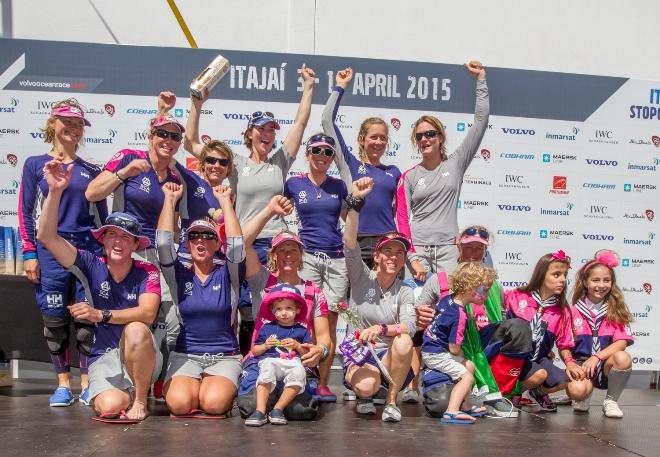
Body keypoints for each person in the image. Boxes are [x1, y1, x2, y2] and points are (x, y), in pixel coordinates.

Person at [183, 65, 317, 350]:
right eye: (262, 129)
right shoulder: (234, 164)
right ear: (250, 133)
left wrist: (308, 87)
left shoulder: (279, 161)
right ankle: (245, 359)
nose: (268, 134)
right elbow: (192, 143)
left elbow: (300, 125)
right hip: (244, 243)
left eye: (271, 130)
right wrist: (196, 106)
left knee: (278, 306)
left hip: (276, 245)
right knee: (242, 306)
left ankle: (281, 358)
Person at [36, 160, 161, 421]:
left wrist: (100, 315)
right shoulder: (91, 262)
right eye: (112, 235)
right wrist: (55, 191)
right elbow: (47, 237)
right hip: (104, 356)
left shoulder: (147, 269)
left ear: (136, 244)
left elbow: (148, 314)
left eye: (126, 237)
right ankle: (125, 392)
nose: (118, 241)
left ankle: (140, 399)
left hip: (140, 351)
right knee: (109, 407)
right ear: (102, 240)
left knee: (137, 328)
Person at [18, 100, 107, 407]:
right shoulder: (34, 164)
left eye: (79, 124)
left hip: (85, 253)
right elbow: (25, 212)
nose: (73, 129)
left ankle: (86, 384)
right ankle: (62, 386)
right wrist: (29, 252)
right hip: (48, 252)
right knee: (54, 322)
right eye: (67, 122)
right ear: (53, 123)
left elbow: (101, 221)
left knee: (85, 325)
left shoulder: (93, 170)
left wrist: (103, 258)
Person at [85, 114, 184, 358]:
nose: (168, 140)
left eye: (174, 136)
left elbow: (174, 226)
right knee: (123, 312)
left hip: (159, 254)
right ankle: (113, 371)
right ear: (150, 136)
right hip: (126, 249)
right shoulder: (130, 157)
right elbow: (92, 193)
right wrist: (125, 173)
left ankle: (156, 376)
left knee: (169, 318)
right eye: (162, 134)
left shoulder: (175, 179)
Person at [236, 196, 330, 421]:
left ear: (301, 256)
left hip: (294, 360)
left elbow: (325, 337)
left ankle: (281, 398)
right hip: (263, 360)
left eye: (293, 250)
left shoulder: (313, 291)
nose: (288, 255)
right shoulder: (262, 280)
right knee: (250, 407)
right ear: (274, 255)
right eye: (282, 250)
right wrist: (269, 210)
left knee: (302, 411)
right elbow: (242, 243)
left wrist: (321, 351)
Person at [156, 182, 245, 417]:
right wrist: (169, 199)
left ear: (217, 244)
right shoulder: (179, 274)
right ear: (187, 244)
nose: (200, 241)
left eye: (208, 236)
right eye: (194, 236)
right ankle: (196, 387)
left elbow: (236, 245)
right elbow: (164, 245)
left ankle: (212, 389)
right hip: (186, 356)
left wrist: (225, 202)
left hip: (224, 356)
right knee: (179, 405)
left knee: (213, 404)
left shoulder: (228, 273)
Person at [396, 61, 489, 280]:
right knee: (417, 310)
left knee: (449, 306)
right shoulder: (408, 176)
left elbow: (480, 122)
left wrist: (481, 81)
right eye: (419, 136)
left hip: (448, 250)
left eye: (430, 134)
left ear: (440, 137)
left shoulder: (456, 163)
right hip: (417, 250)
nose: (425, 139)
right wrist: (412, 257)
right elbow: (401, 219)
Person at [342, 177, 416, 422]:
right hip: (362, 354)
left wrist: (382, 328)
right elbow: (350, 243)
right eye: (387, 251)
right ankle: (371, 389)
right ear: (376, 256)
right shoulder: (362, 276)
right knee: (366, 387)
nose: (393, 257)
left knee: (404, 340)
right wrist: (354, 204)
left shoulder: (404, 289)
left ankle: (392, 401)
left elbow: (410, 326)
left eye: (399, 253)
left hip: (390, 356)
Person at [283, 133, 350, 402]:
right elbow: (279, 213)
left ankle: (323, 383)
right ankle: (302, 377)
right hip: (307, 257)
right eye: (316, 151)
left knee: (330, 324)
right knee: (306, 318)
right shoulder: (293, 183)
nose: (322, 156)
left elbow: (350, 218)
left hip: (336, 259)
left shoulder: (340, 186)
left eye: (327, 152)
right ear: (307, 154)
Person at [322, 68, 401, 268]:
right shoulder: (350, 163)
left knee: (388, 299)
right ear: (361, 139)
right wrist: (340, 86)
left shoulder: (394, 171)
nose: (378, 141)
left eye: (383, 137)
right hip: (356, 241)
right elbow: (327, 120)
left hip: (388, 243)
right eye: (373, 137)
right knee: (354, 299)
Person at [505, 250, 591, 411]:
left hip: (538, 359)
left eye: (565, 275)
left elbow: (564, 344)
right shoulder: (515, 296)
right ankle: (510, 394)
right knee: (540, 374)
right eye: (556, 275)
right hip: (513, 360)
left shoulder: (562, 310)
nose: (563, 280)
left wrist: (571, 364)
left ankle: (536, 392)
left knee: (567, 380)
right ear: (541, 275)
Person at [422, 262, 494, 424]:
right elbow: (454, 348)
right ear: (470, 288)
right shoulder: (460, 315)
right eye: (485, 289)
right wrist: (461, 354)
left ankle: (466, 405)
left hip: (430, 349)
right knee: (467, 377)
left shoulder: (448, 299)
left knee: (469, 366)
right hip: (437, 354)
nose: (487, 295)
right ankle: (452, 411)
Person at [570, 250, 634, 418]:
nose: (601, 285)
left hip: (605, 364)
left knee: (623, 358)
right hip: (583, 366)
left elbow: (622, 342)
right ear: (585, 282)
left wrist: (597, 357)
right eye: (595, 280)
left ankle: (611, 401)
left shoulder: (616, 309)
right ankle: (584, 394)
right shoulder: (574, 310)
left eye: (607, 280)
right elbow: (566, 344)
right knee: (577, 391)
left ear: (612, 283)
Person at [245, 284, 313, 426]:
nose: (284, 313)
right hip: (271, 360)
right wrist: (265, 346)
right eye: (279, 309)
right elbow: (254, 351)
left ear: (298, 309)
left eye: (289, 308)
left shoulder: (302, 330)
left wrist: (297, 346)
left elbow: (308, 354)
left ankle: (278, 409)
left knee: (299, 370)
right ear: (272, 310)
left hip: (292, 361)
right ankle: (260, 410)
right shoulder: (267, 328)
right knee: (267, 366)